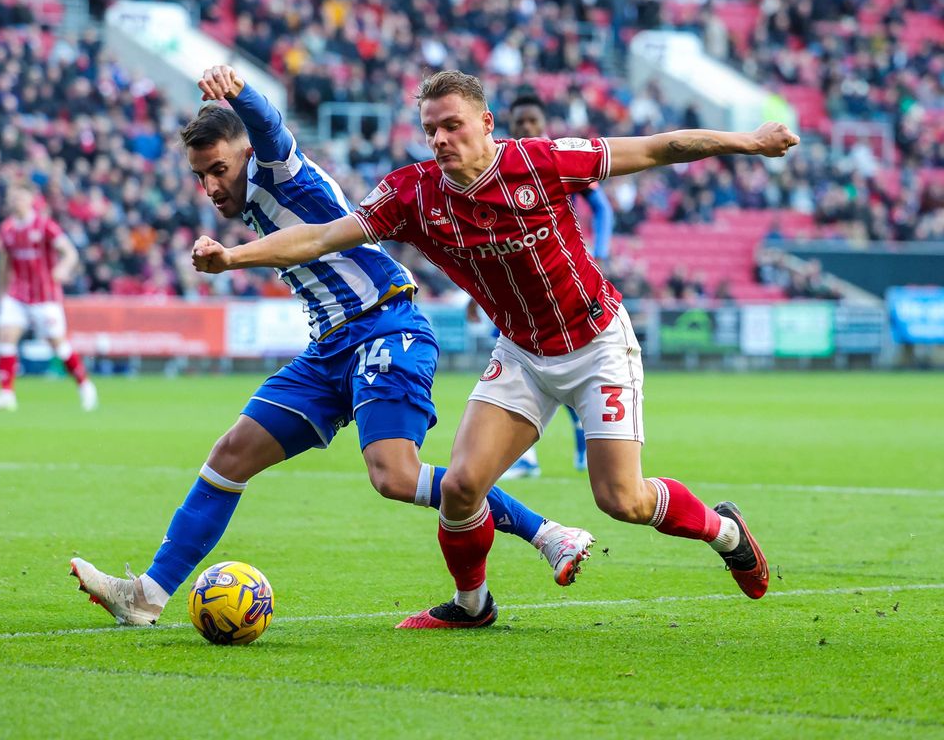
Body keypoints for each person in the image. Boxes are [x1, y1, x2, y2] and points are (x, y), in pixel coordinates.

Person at [190, 70, 796, 629]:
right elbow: (322, 236)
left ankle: (724, 533)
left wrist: (750, 141)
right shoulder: (413, 194)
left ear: (486, 123)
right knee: (460, 486)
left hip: (596, 343)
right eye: (430, 129)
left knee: (622, 500)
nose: (441, 139)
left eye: (452, 125)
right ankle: (471, 606)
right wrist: (233, 256)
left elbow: (660, 148)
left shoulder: (543, 163)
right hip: (523, 356)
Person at [70, 66, 595, 626]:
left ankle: (547, 533)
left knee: (394, 475)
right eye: (202, 177)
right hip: (330, 350)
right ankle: (146, 597)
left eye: (220, 169)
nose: (213, 186)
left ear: (245, 153)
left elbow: (268, 125)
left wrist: (239, 91)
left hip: (386, 326)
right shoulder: (248, 200)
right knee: (230, 456)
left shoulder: (278, 170)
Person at [501, 93, 618, 477]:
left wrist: (599, 253)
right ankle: (529, 457)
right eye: (520, 122)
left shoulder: (555, 159)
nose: (527, 129)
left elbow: (602, 208)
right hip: (512, 287)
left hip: (559, 282)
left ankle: (575, 448)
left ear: (544, 123)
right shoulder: (497, 165)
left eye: (533, 121)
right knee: (520, 366)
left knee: (561, 365)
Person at [0, 183, 97, 412]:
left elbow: (70, 252)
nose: (16, 201)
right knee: (5, 336)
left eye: (20, 197)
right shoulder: (7, 229)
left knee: (58, 345)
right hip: (16, 294)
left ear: (31, 199)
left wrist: (63, 268)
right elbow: (5, 263)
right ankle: (6, 393)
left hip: (45, 297)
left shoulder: (44, 225)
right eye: (13, 197)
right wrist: (2, 291)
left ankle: (85, 385)